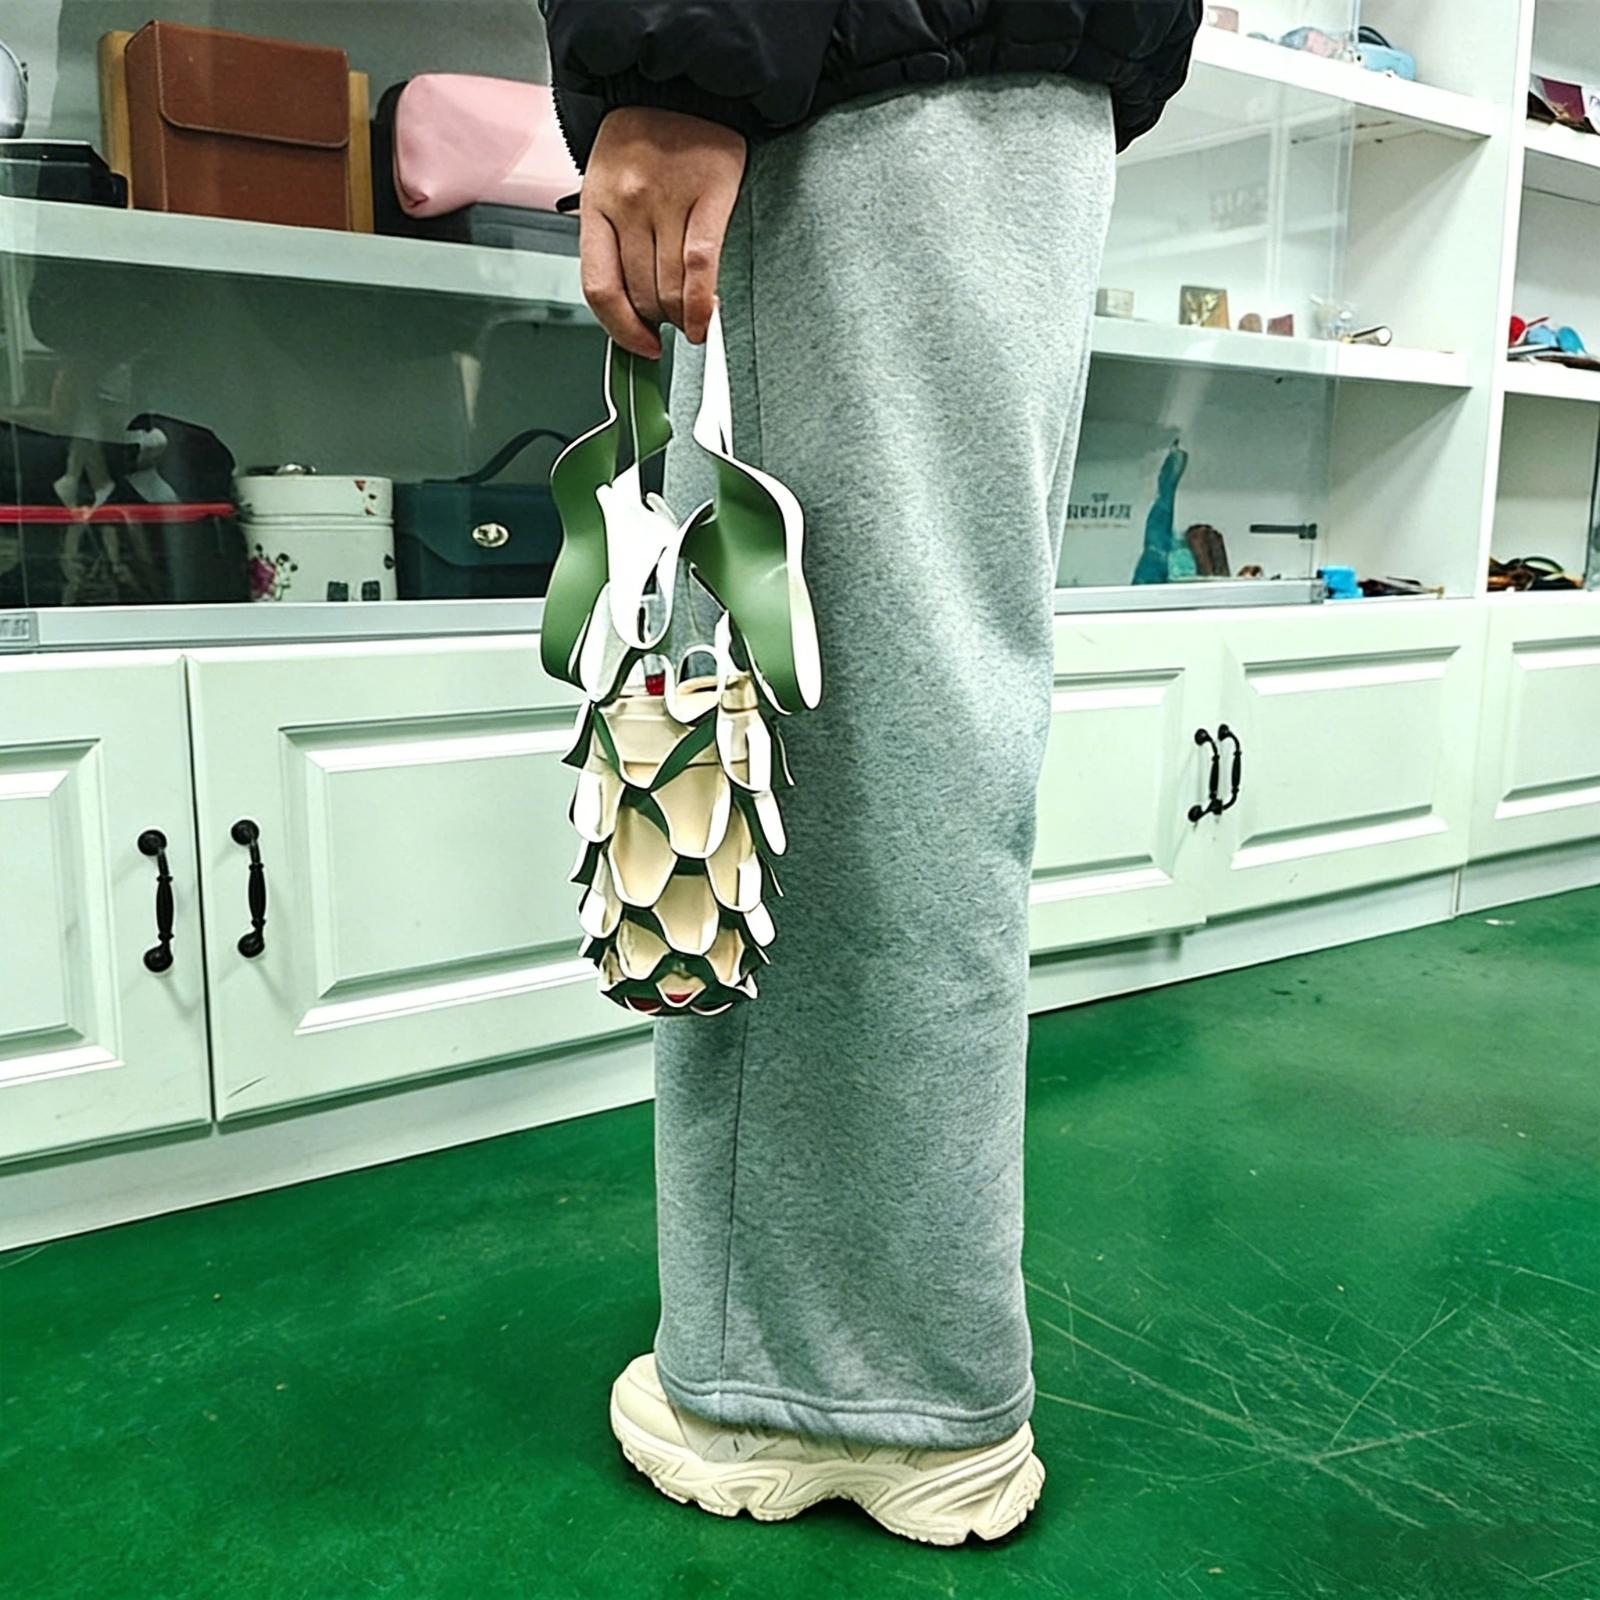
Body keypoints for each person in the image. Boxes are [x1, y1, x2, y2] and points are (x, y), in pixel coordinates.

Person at [541, 0, 1202, 1546]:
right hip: (1029, 93)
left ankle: (812, 1390)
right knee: (939, 702)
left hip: (845, 83)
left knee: (828, 737)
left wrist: (665, 59)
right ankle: (911, 1354)